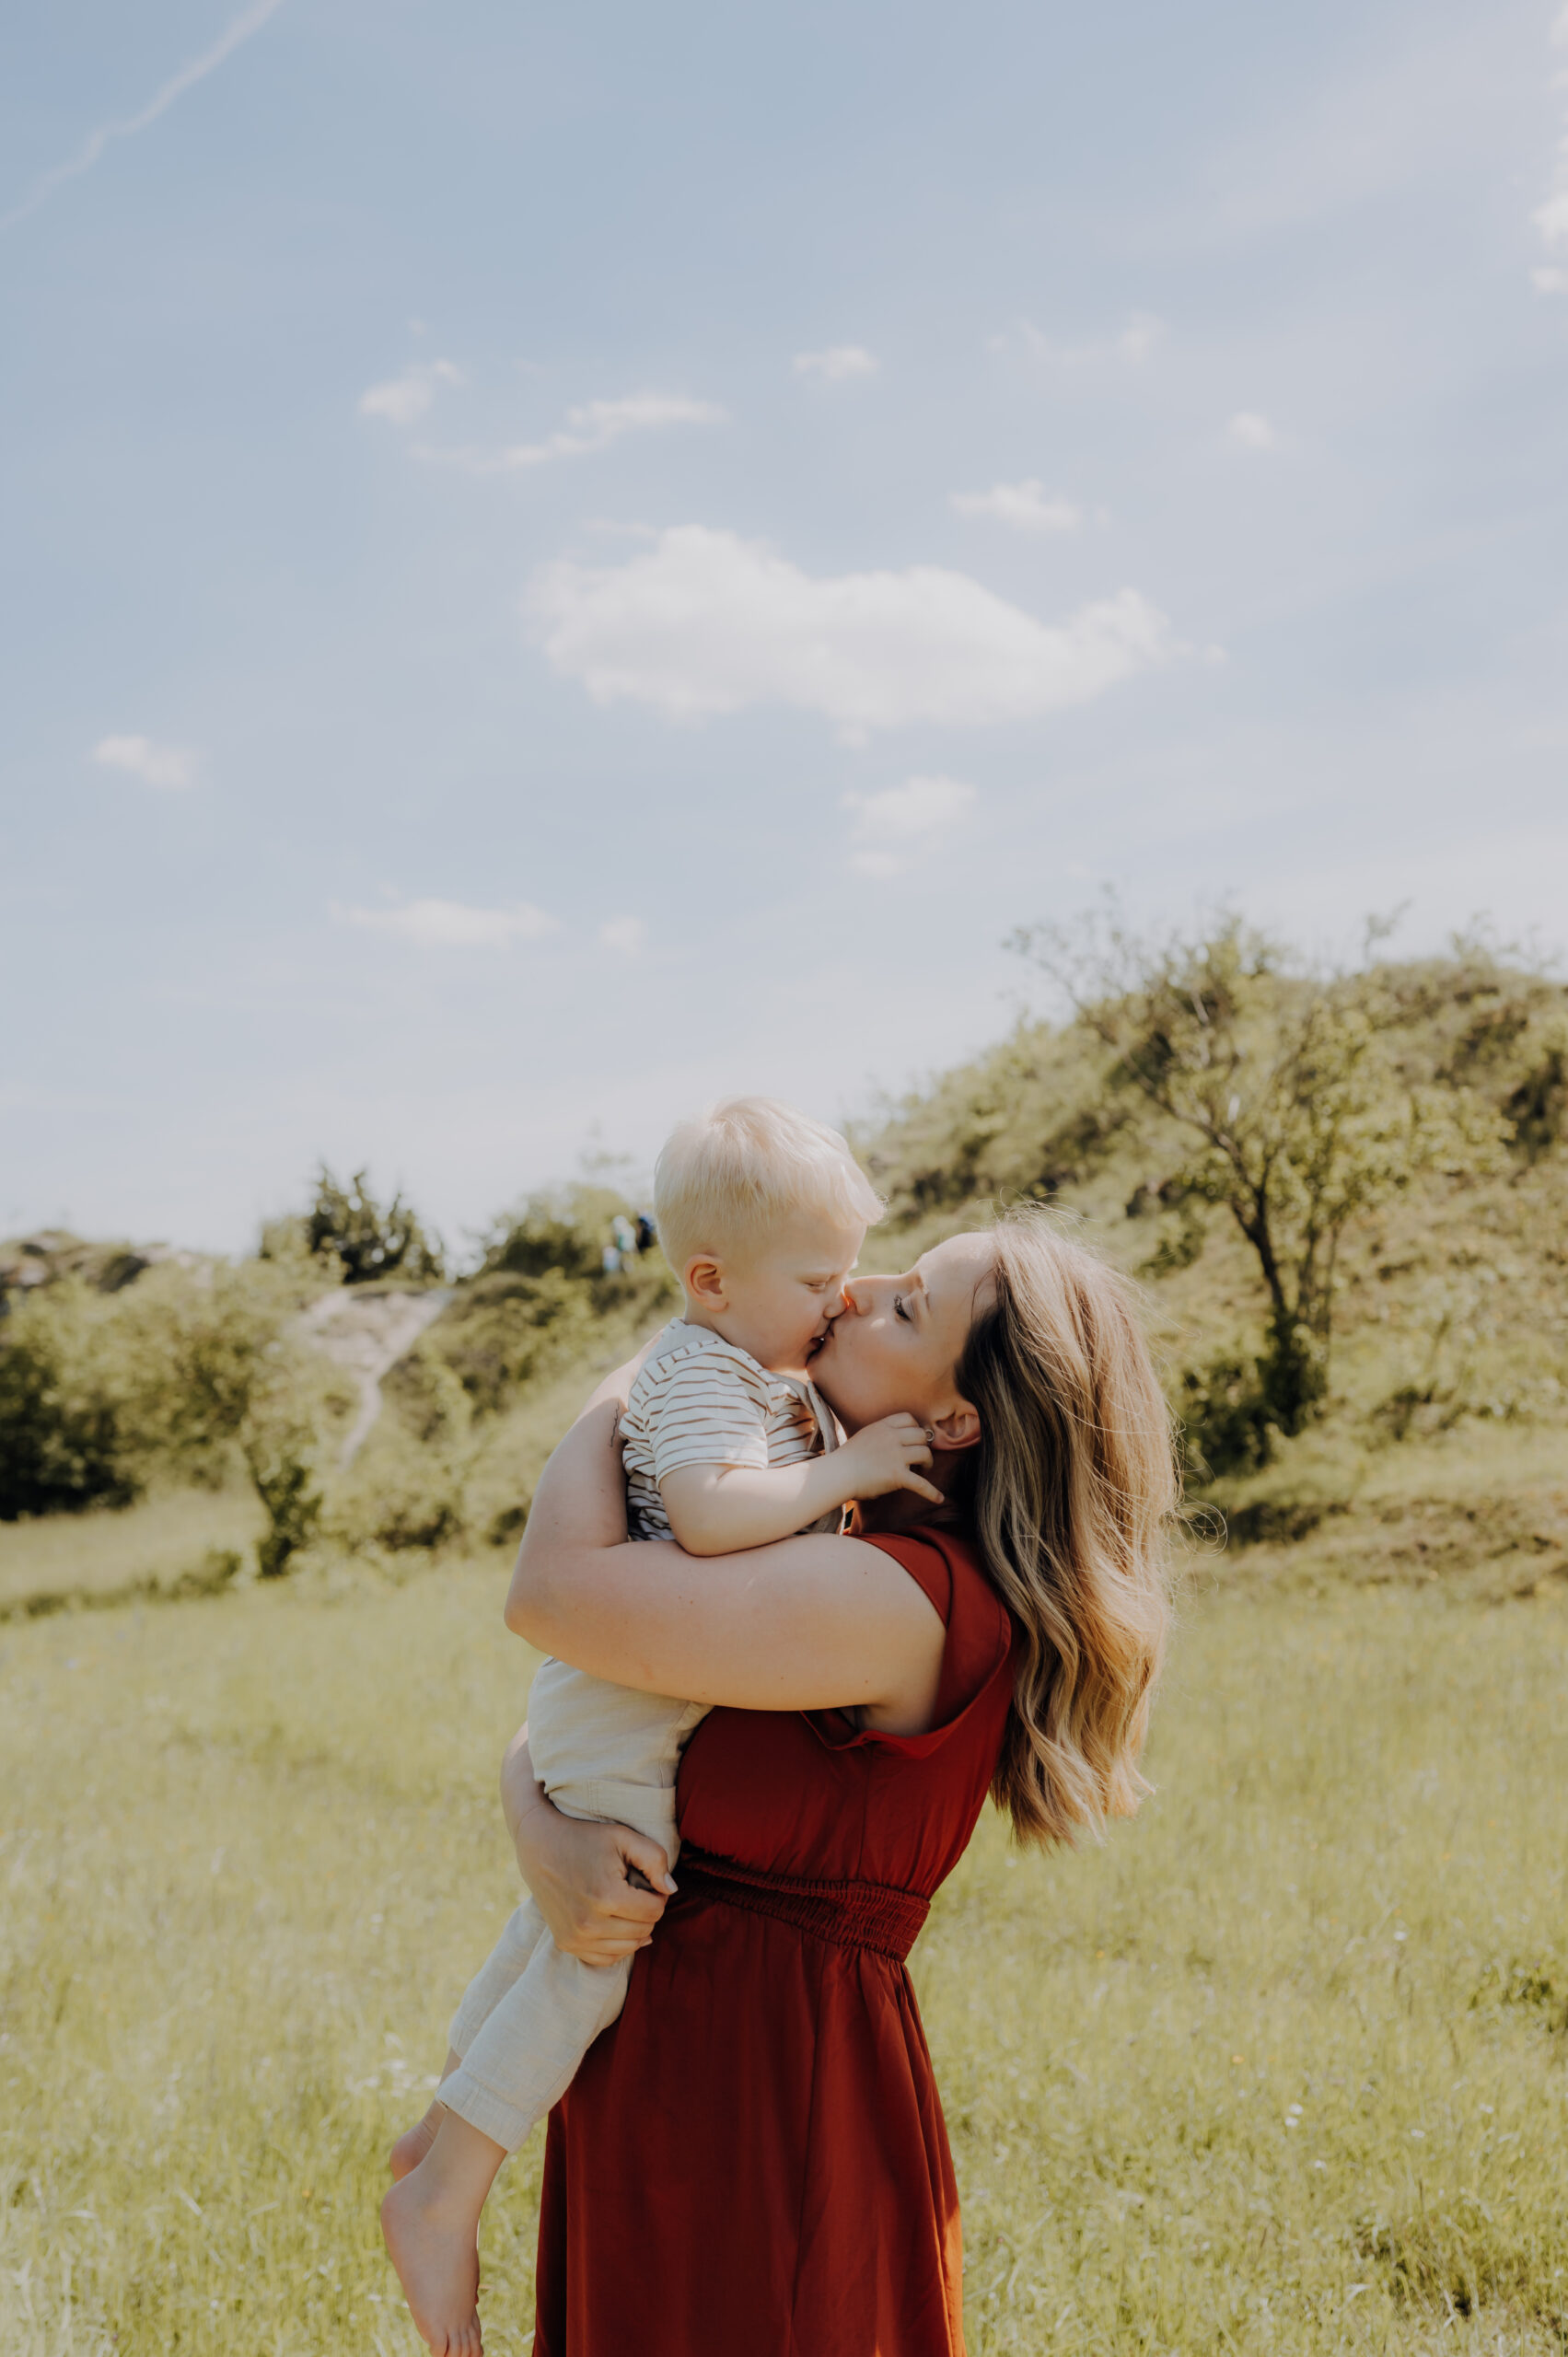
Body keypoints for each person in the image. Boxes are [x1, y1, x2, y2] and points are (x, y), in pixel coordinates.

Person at [482, 1205, 1178, 2355]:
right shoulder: (822, 1537)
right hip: (671, 2074)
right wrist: (536, 1826)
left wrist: (664, 1365)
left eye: (907, 1306)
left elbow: (552, 1595)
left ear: (952, 1418)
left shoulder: (902, 1597)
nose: (856, 1291)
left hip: (769, 2109)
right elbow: (590, 1698)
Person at [383, 1100, 937, 2355]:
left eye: (850, 1274)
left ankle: (441, 2123)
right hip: (621, 1694)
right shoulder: (699, 1372)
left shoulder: (756, 1368)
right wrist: (845, 1473)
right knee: (597, 1940)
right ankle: (447, 2189)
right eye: (817, 1280)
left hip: (629, 1686)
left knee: (556, 1923)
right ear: (709, 1281)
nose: (840, 1300)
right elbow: (704, 1514)